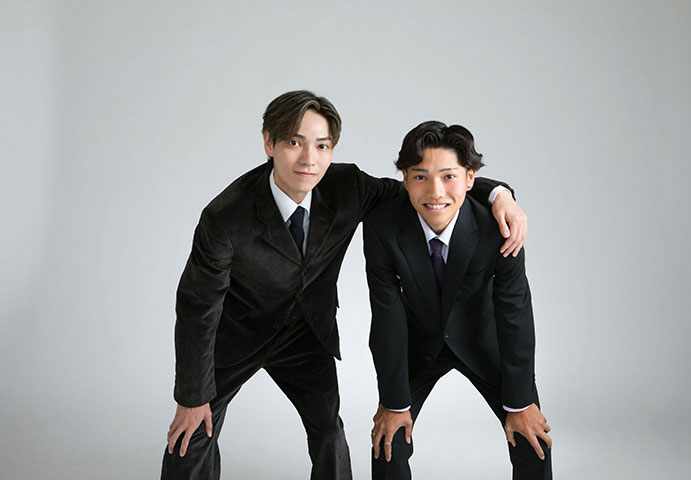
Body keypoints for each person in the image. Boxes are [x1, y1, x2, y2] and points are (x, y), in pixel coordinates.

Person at [161, 91, 528, 480]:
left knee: (329, 434)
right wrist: (191, 397)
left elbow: (424, 188)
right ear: (269, 143)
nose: (309, 159)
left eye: (322, 146)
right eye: (294, 143)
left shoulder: (347, 186)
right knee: (192, 433)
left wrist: (499, 193)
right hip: (236, 336)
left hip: (305, 334)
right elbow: (197, 307)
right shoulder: (225, 217)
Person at [364, 120, 552, 479]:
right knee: (388, 442)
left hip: (484, 341)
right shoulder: (382, 226)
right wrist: (393, 402)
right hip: (418, 343)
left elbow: (514, 311)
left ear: (469, 178)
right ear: (405, 179)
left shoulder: (500, 226)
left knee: (532, 438)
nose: (435, 192)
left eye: (448, 176)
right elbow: (386, 314)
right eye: (420, 177)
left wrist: (520, 402)